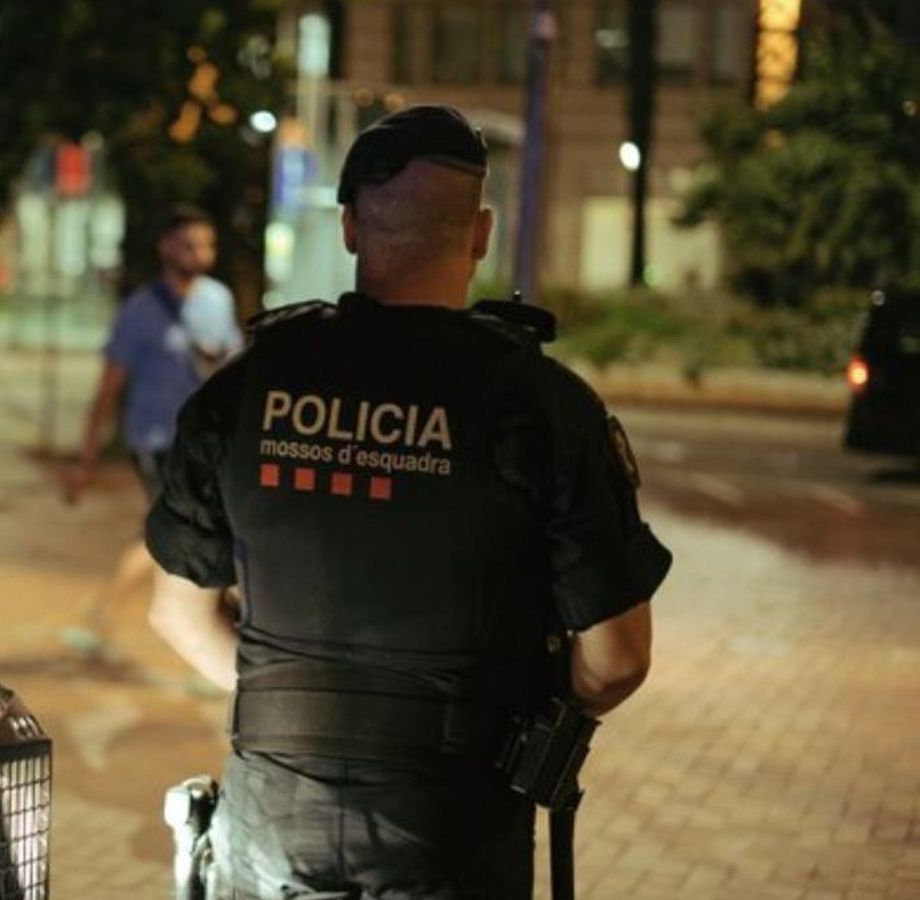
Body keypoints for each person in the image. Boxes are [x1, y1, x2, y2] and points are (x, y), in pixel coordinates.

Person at [143, 105, 672, 899]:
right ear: (482, 233)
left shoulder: (247, 390)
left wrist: (303, 712)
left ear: (351, 226)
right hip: (451, 828)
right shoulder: (541, 404)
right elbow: (618, 658)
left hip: (273, 824)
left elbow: (178, 613)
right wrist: (507, 722)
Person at [62, 206, 243, 652]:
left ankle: (99, 615)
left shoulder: (218, 300)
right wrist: (85, 458)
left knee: (164, 533)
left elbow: (234, 367)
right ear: (165, 247)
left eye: (207, 243)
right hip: (158, 441)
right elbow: (108, 388)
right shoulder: (139, 312)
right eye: (189, 243)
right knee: (174, 533)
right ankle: (105, 615)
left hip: (209, 443)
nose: (200, 253)